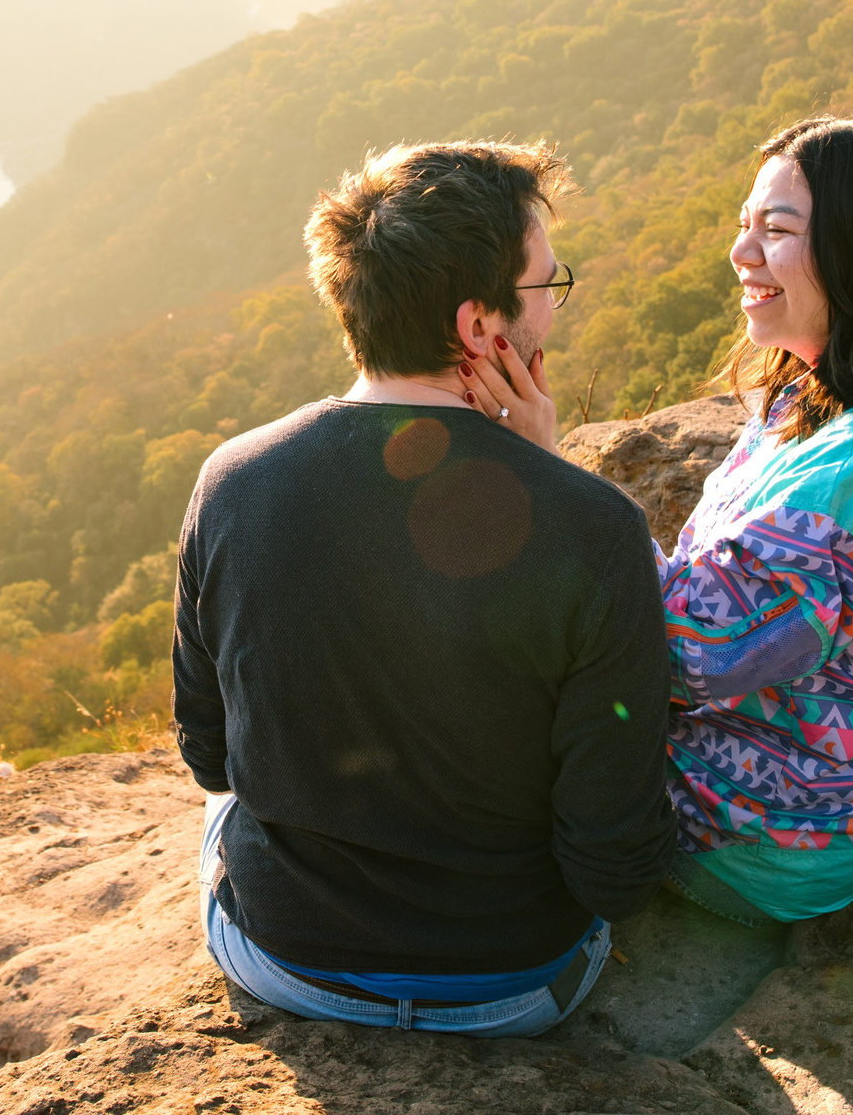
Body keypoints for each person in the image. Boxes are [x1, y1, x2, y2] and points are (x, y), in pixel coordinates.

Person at [478, 116, 853, 927]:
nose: (740, 253)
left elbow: (678, 655)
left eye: (775, 230)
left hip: (777, 836)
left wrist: (542, 479)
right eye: (744, 225)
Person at [174, 138, 672, 1035]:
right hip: (513, 987)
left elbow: (212, 760)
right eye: (546, 289)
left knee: (219, 821)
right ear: (482, 330)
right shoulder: (596, 532)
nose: (552, 313)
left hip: (284, 961)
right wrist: (545, 485)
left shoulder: (233, 481)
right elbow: (615, 872)